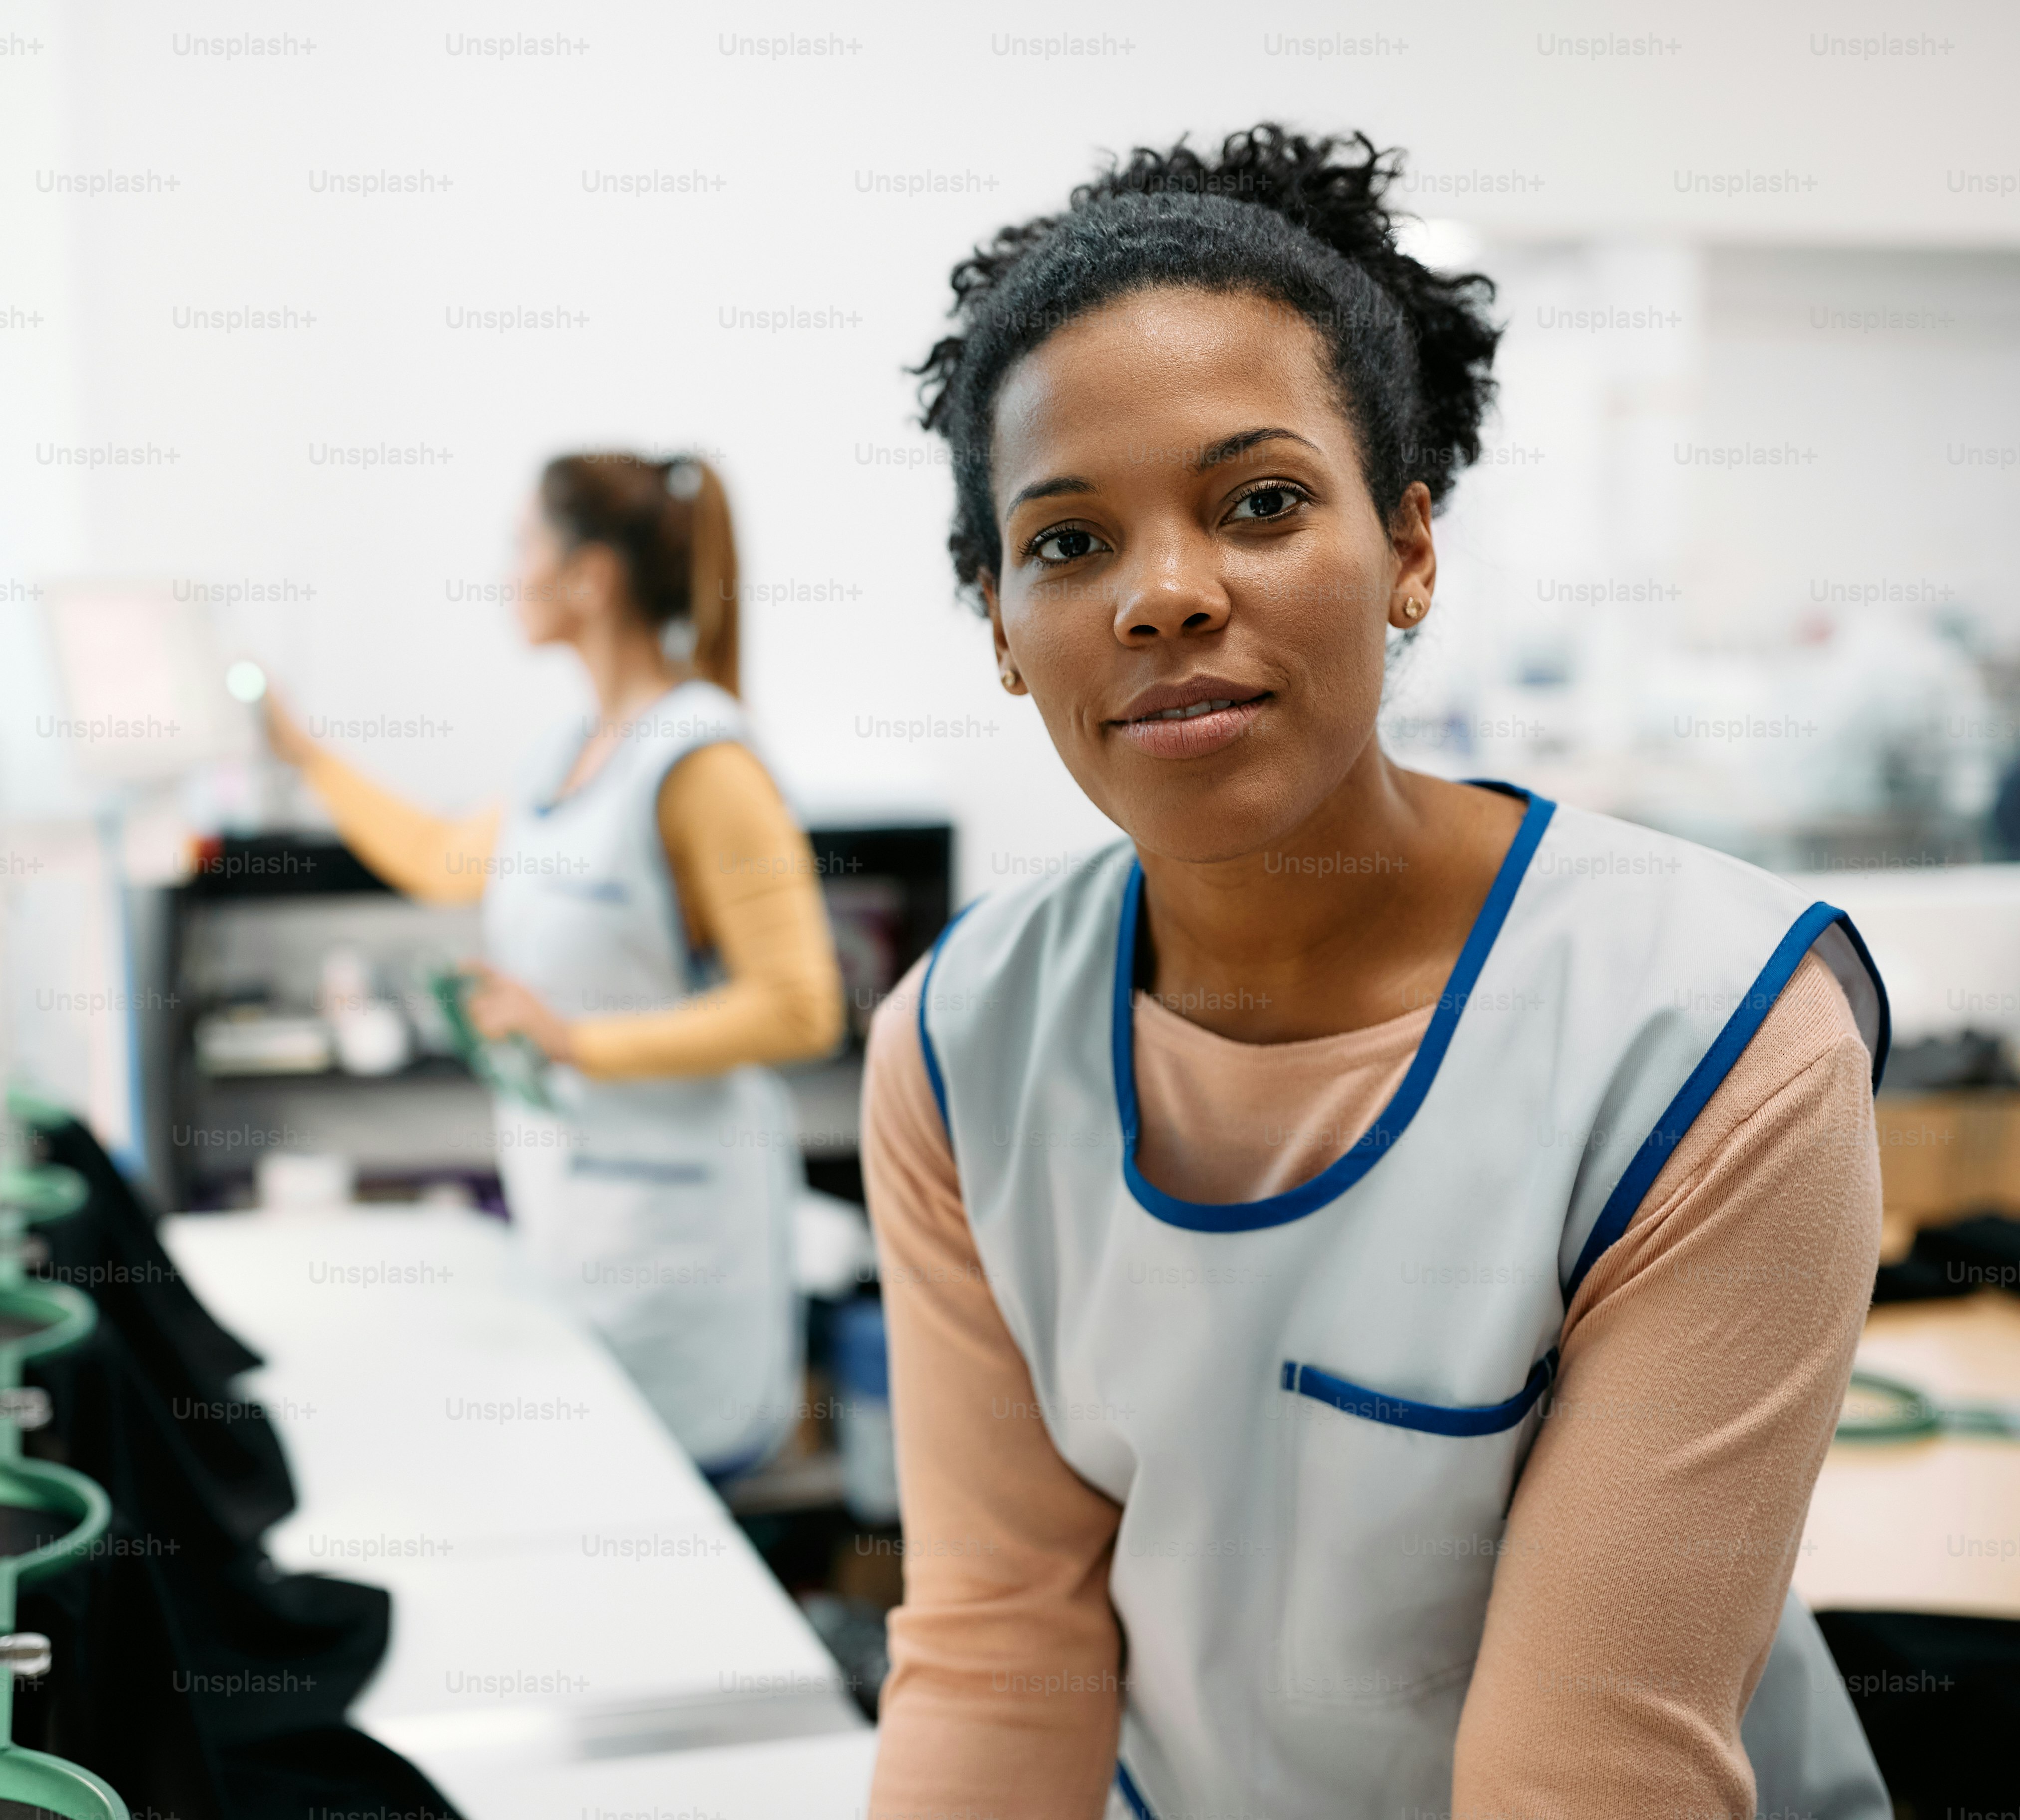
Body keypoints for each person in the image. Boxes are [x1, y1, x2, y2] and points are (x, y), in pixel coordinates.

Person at [865, 129, 1892, 1820]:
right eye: (1066, 542)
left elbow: (1590, 1770)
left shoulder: (1705, 1029)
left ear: (1410, 543)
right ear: (997, 621)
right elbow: (995, 1658)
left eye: (1259, 503)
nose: (1165, 596)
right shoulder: (961, 1043)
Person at [260, 453, 843, 1478]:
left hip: (682, 1249)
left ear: (591, 578)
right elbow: (445, 858)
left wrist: (572, 1038)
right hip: (578, 1225)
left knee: (667, 1533)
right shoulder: (565, 752)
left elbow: (801, 1009)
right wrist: (305, 758)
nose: (506, 573)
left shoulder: (705, 762)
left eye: (523, 545)